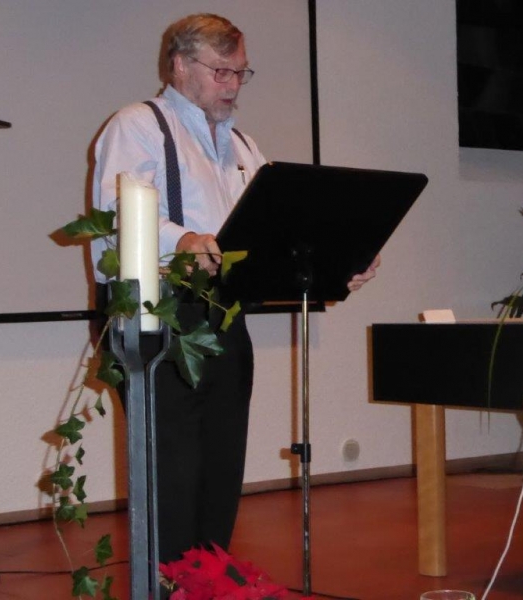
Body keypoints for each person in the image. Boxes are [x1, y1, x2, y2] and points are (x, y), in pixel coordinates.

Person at [90, 13, 379, 562]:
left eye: (240, 73)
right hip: (157, 316)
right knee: (171, 470)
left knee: (222, 466)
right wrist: (183, 240)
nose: (232, 85)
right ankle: (167, 587)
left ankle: (207, 580)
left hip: (225, 318)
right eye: (220, 71)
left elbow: (279, 231)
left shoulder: (245, 147)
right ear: (180, 66)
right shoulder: (137, 126)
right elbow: (115, 215)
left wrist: (340, 264)